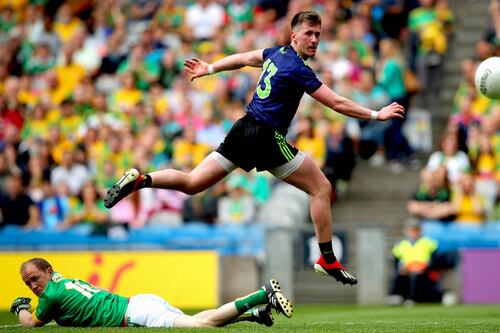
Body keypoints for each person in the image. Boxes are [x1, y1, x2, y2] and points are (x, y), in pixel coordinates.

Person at [104, 11, 405, 285]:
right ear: (294, 36)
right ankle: (327, 258)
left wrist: (210, 67)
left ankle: (142, 180)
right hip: (265, 135)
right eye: (309, 34)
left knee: (193, 182)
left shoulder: (275, 53)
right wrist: (376, 114)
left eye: (318, 35)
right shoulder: (299, 69)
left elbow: (245, 57)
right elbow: (337, 103)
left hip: (243, 127)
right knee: (322, 188)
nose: (314, 40)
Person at [11, 257, 292, 328]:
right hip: (141, 302)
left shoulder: (50, 296)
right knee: (201, 320)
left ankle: (261, 294)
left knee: (204, 325)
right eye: (28, 285)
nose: (33, 286)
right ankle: (255, 314)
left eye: (35, 279)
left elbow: (31, 324)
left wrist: (21, 307)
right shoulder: (63, 280)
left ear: (48, 271)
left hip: (137, 314)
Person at [388, 218, 443, 305]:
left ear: (420, 231)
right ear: (406, 231)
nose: (413, 233)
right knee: (399, 275)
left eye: (416, 230)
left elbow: (435, 260)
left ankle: (412, 298)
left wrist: (425, 267)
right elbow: (396, 262)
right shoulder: (401, 244)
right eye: (411, 230)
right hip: (407, 271)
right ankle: (396, 296)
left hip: (424, 271)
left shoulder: (429, 243)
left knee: (417, 277)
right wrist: (401, 268)